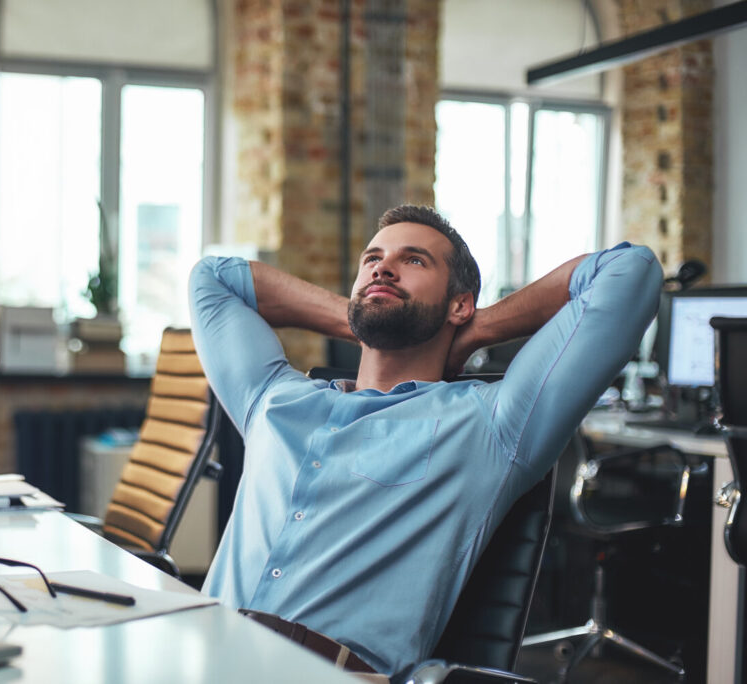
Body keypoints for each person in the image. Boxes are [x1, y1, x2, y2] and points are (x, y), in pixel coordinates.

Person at [188, 204, 662, 682]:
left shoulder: (490, 424)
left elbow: (630, 272)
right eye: (372, 259)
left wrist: (478, 329)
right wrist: (361, 316)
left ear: (460, 303)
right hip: (196, 652)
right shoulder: (275, 399)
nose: (383, 267)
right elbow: (212, 277)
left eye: (414, 261)